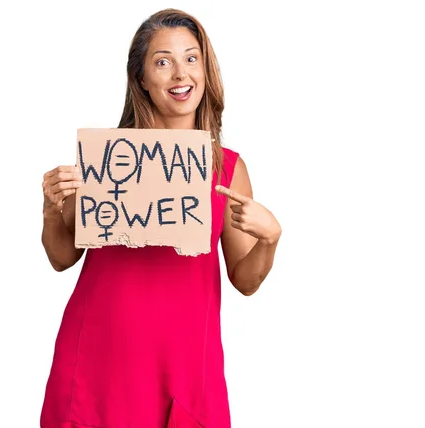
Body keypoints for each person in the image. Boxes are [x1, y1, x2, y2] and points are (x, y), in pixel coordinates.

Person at [39, 8, 281, 428]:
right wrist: (51, 209)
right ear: (142, 79)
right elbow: (62, 257)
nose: (179, 74)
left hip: (184, 370)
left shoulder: (227, 168)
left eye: (191, 58)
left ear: (206, 71)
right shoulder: (109, 160)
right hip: (98, 360)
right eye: (163, 62)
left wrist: (269, 238)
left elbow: (245, 280)